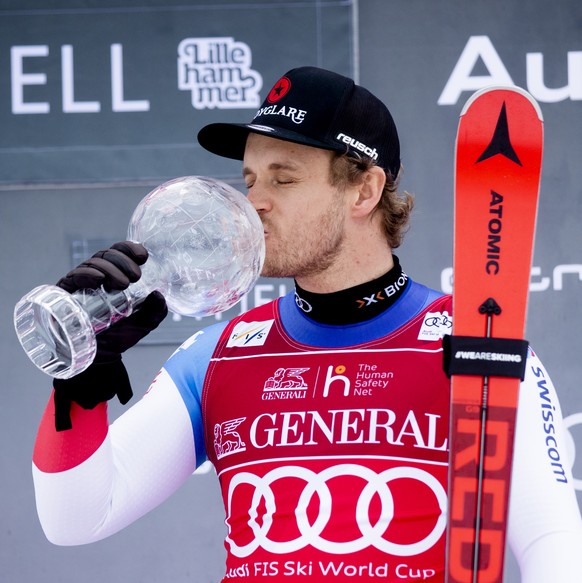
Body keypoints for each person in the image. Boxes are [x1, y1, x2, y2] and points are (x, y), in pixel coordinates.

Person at [31, 67, 582, 582]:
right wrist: (78, 382)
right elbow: (77, 519)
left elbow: (554, 541)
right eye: (249, 179)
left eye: (284, 179)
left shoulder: (475, 344)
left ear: (364, 190)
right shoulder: (219, 354)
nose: (254, 203)